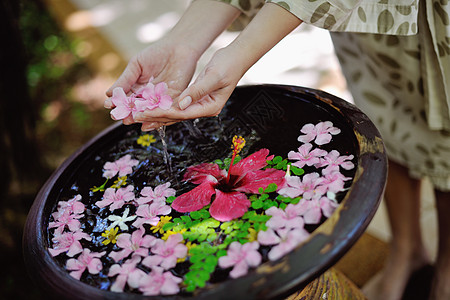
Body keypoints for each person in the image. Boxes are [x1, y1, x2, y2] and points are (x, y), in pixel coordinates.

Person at [104, 1, 450, 299]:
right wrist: (181, 43)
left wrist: (238, 55)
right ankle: (407, 250)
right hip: (361, 19)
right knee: (385, 114)